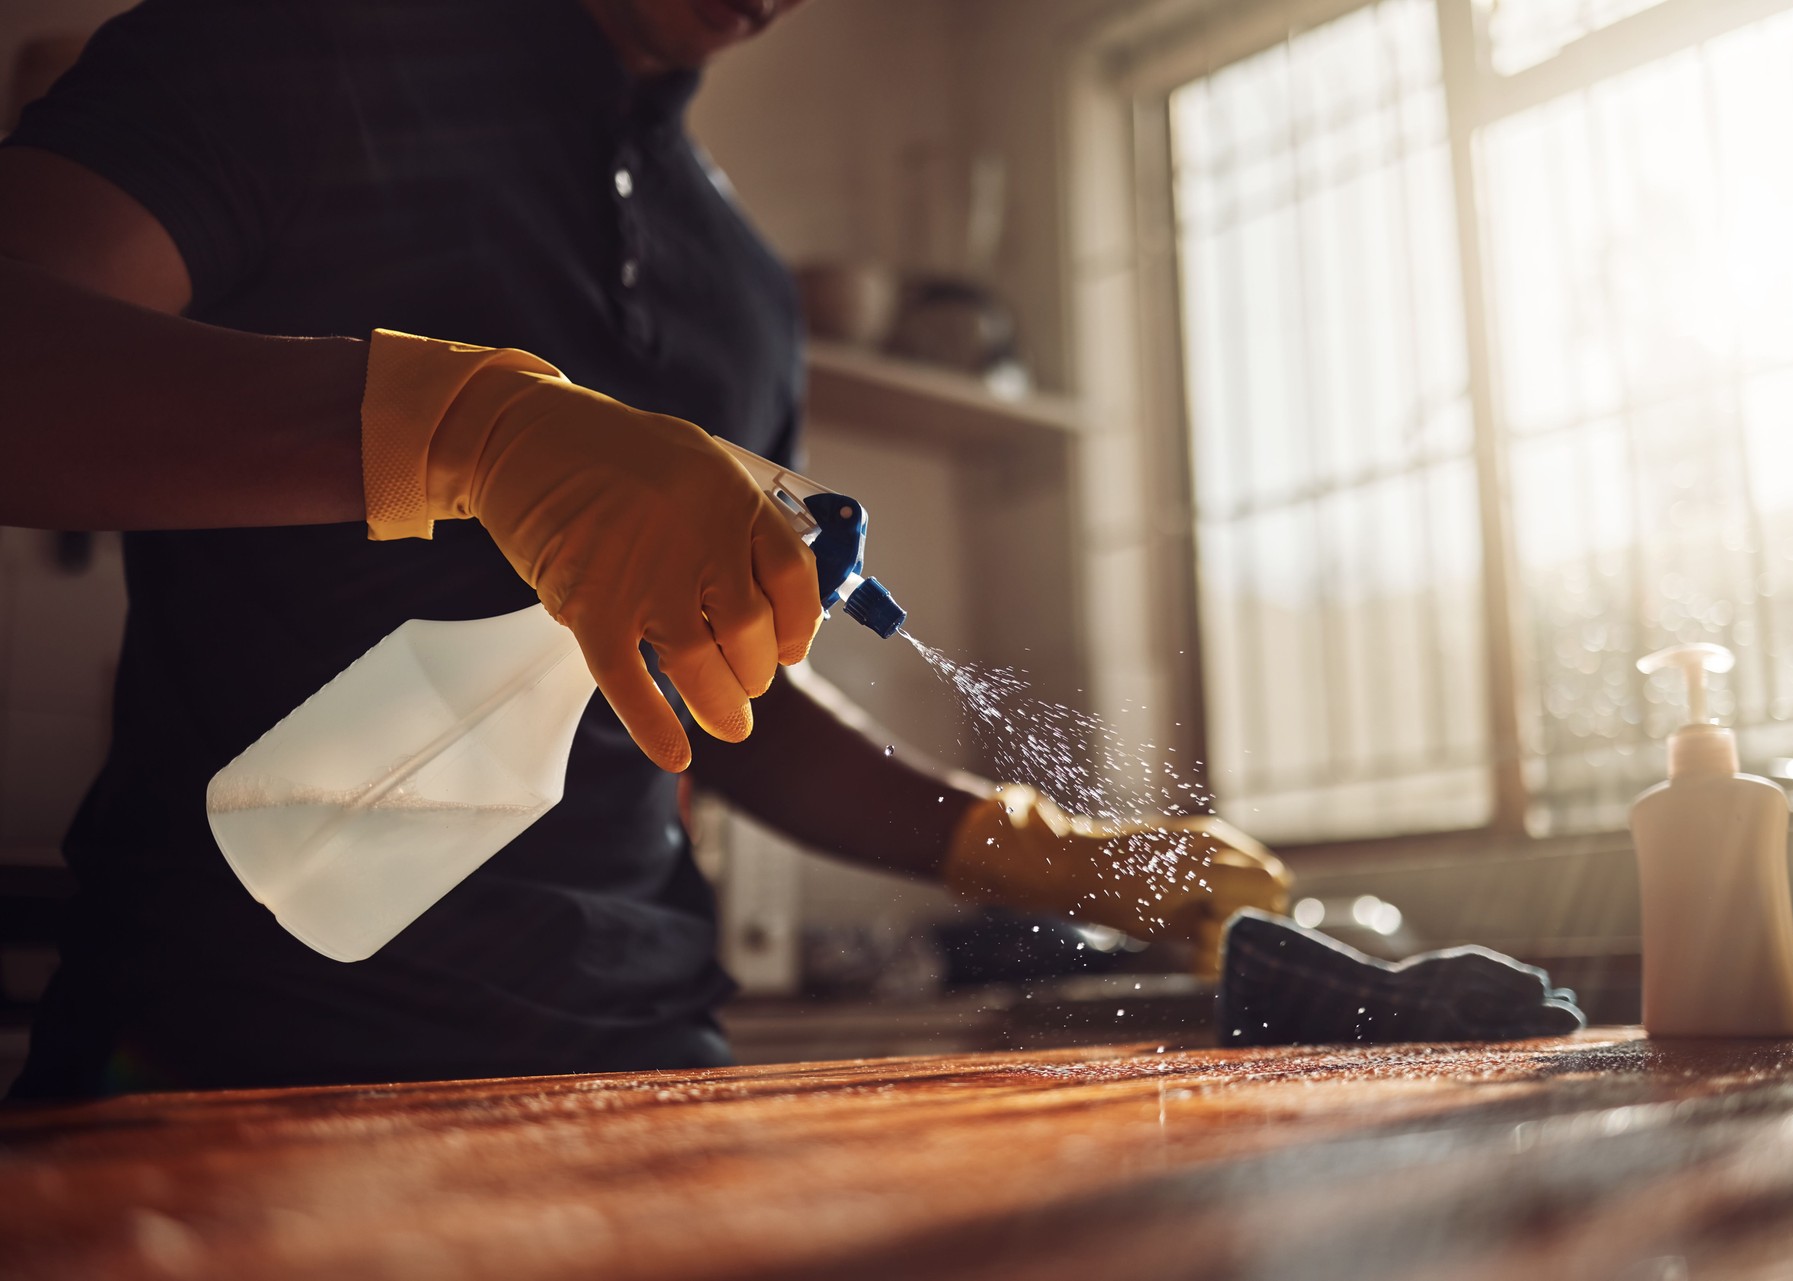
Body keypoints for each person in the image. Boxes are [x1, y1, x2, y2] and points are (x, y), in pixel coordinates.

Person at [0, 0, 1290, 1098]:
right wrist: (466, 431)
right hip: (232, 1050)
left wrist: (1037, 849)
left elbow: (721, 686)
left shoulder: (743, 287)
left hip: (643, 1058)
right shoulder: (285, 49)